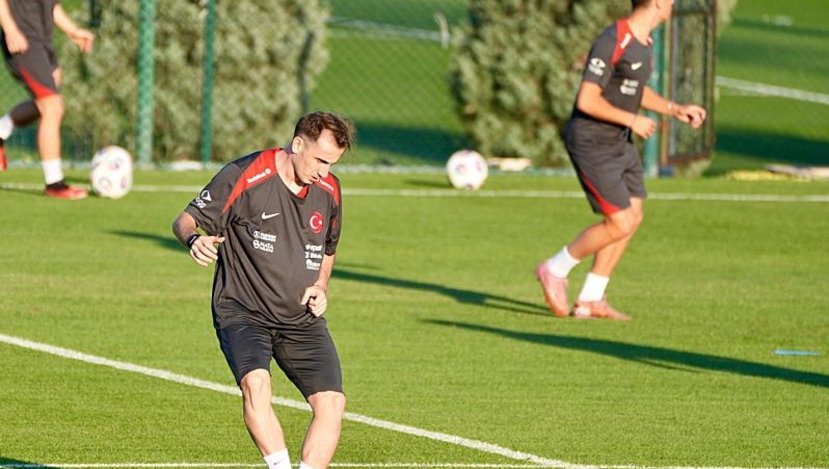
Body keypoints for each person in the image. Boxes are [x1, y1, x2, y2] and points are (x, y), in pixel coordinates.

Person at [172, 111, 355, 469]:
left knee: (332, 404)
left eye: (332, 164)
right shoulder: (245, 174)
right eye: (320, 160)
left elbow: (328, 248)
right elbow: (185, 219)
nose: (324, 172)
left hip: (300, 318)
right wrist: (194, 239)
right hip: (244, 311)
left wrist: (321, 285)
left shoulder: (329, 190)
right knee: (257, 385)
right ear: (297, 144)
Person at [536, 0, 706, 320]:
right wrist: (632, 120)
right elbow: (587, 99)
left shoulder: (645, 42)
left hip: (619, 141)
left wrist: (675, 109)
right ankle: (554, 270)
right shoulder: (614, 39)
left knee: (634, 215)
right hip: (592, 141)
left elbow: (635, 90)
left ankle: (591, 298)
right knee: (620, 222)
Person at [0, 0, 94, 199]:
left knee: (48, 104)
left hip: (43, 42)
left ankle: (1, 130)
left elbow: (52, 5)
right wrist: (10, 29)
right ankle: (54, 183)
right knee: (52, 106)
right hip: (22, 40)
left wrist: (72, 31)